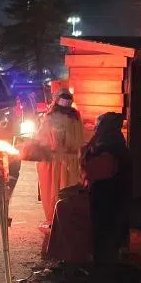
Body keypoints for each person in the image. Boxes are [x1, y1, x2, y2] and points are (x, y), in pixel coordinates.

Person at [81, 112, 133, 264]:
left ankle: (105, 261)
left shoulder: (107, 147)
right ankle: (115, 253)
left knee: (106, 226)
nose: (95, 129)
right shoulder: (117, 142)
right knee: (116, 223)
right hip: (118, 194)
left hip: (107, 195)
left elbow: (96, 170)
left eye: (98, 126)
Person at [37, 90, 85, 226]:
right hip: (70, 161)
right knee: (67, 188)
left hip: (57, 161)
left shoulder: (52, 117)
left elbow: (47, 139)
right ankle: (66, 218)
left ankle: (56, 218)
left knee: (56, 190)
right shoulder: (75, 116)